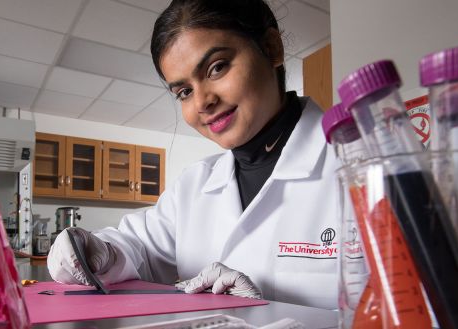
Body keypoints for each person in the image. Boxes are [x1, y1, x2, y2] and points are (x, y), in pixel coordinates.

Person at [47, 0, 340, 309]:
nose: (202, 102)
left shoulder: (361, 166)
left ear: (271, 48)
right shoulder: (194, 184)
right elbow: (139, 247)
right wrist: (99, 250)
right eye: (184, 92)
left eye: (217, 68)